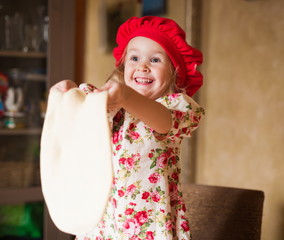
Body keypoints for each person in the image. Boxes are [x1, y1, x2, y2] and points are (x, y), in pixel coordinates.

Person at [51, 16, 204, 240]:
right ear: (123, 67)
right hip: (102, 225)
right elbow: (76, 124)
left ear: (175, 71)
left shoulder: (176, 107)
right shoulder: (108, 106)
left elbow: (164, 122)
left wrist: (126, 96)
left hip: (150, 227)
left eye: (155, 60)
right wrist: (69, 94)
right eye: (134, 57)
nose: (142, 66)